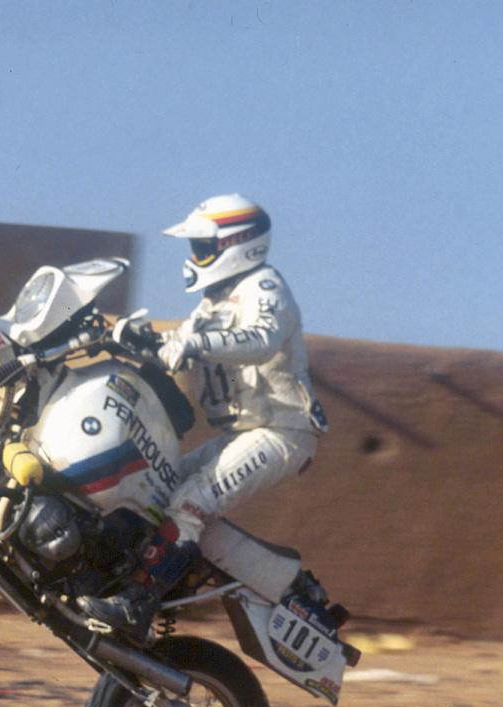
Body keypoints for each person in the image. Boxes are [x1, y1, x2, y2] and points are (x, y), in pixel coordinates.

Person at [80, 194, 329, 640]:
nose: (195, 257)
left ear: (238, 244)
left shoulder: (265, 287)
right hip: (246, 431)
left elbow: (262, 339)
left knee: (193, 498)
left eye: (202, 246)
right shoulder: (212, 303)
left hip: (282, 431)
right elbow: (176, 346)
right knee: (165, 487)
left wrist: (193, 345)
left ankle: (137, 604)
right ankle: (289, 585)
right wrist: (125, 338)